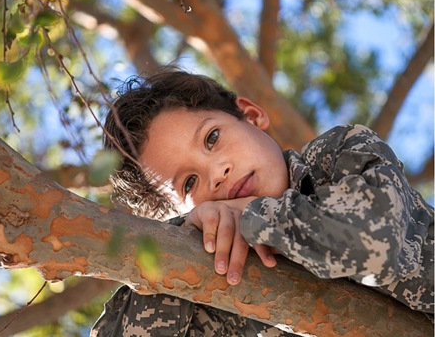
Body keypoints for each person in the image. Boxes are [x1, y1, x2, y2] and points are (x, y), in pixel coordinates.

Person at [91, 70, 433, 336]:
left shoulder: (336, 155)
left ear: (251, 116)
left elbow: (375, 243)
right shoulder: (213, 279)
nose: (218, 172)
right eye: (190, 182)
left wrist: (254, 216)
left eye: (212, 138)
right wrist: (178, 241)